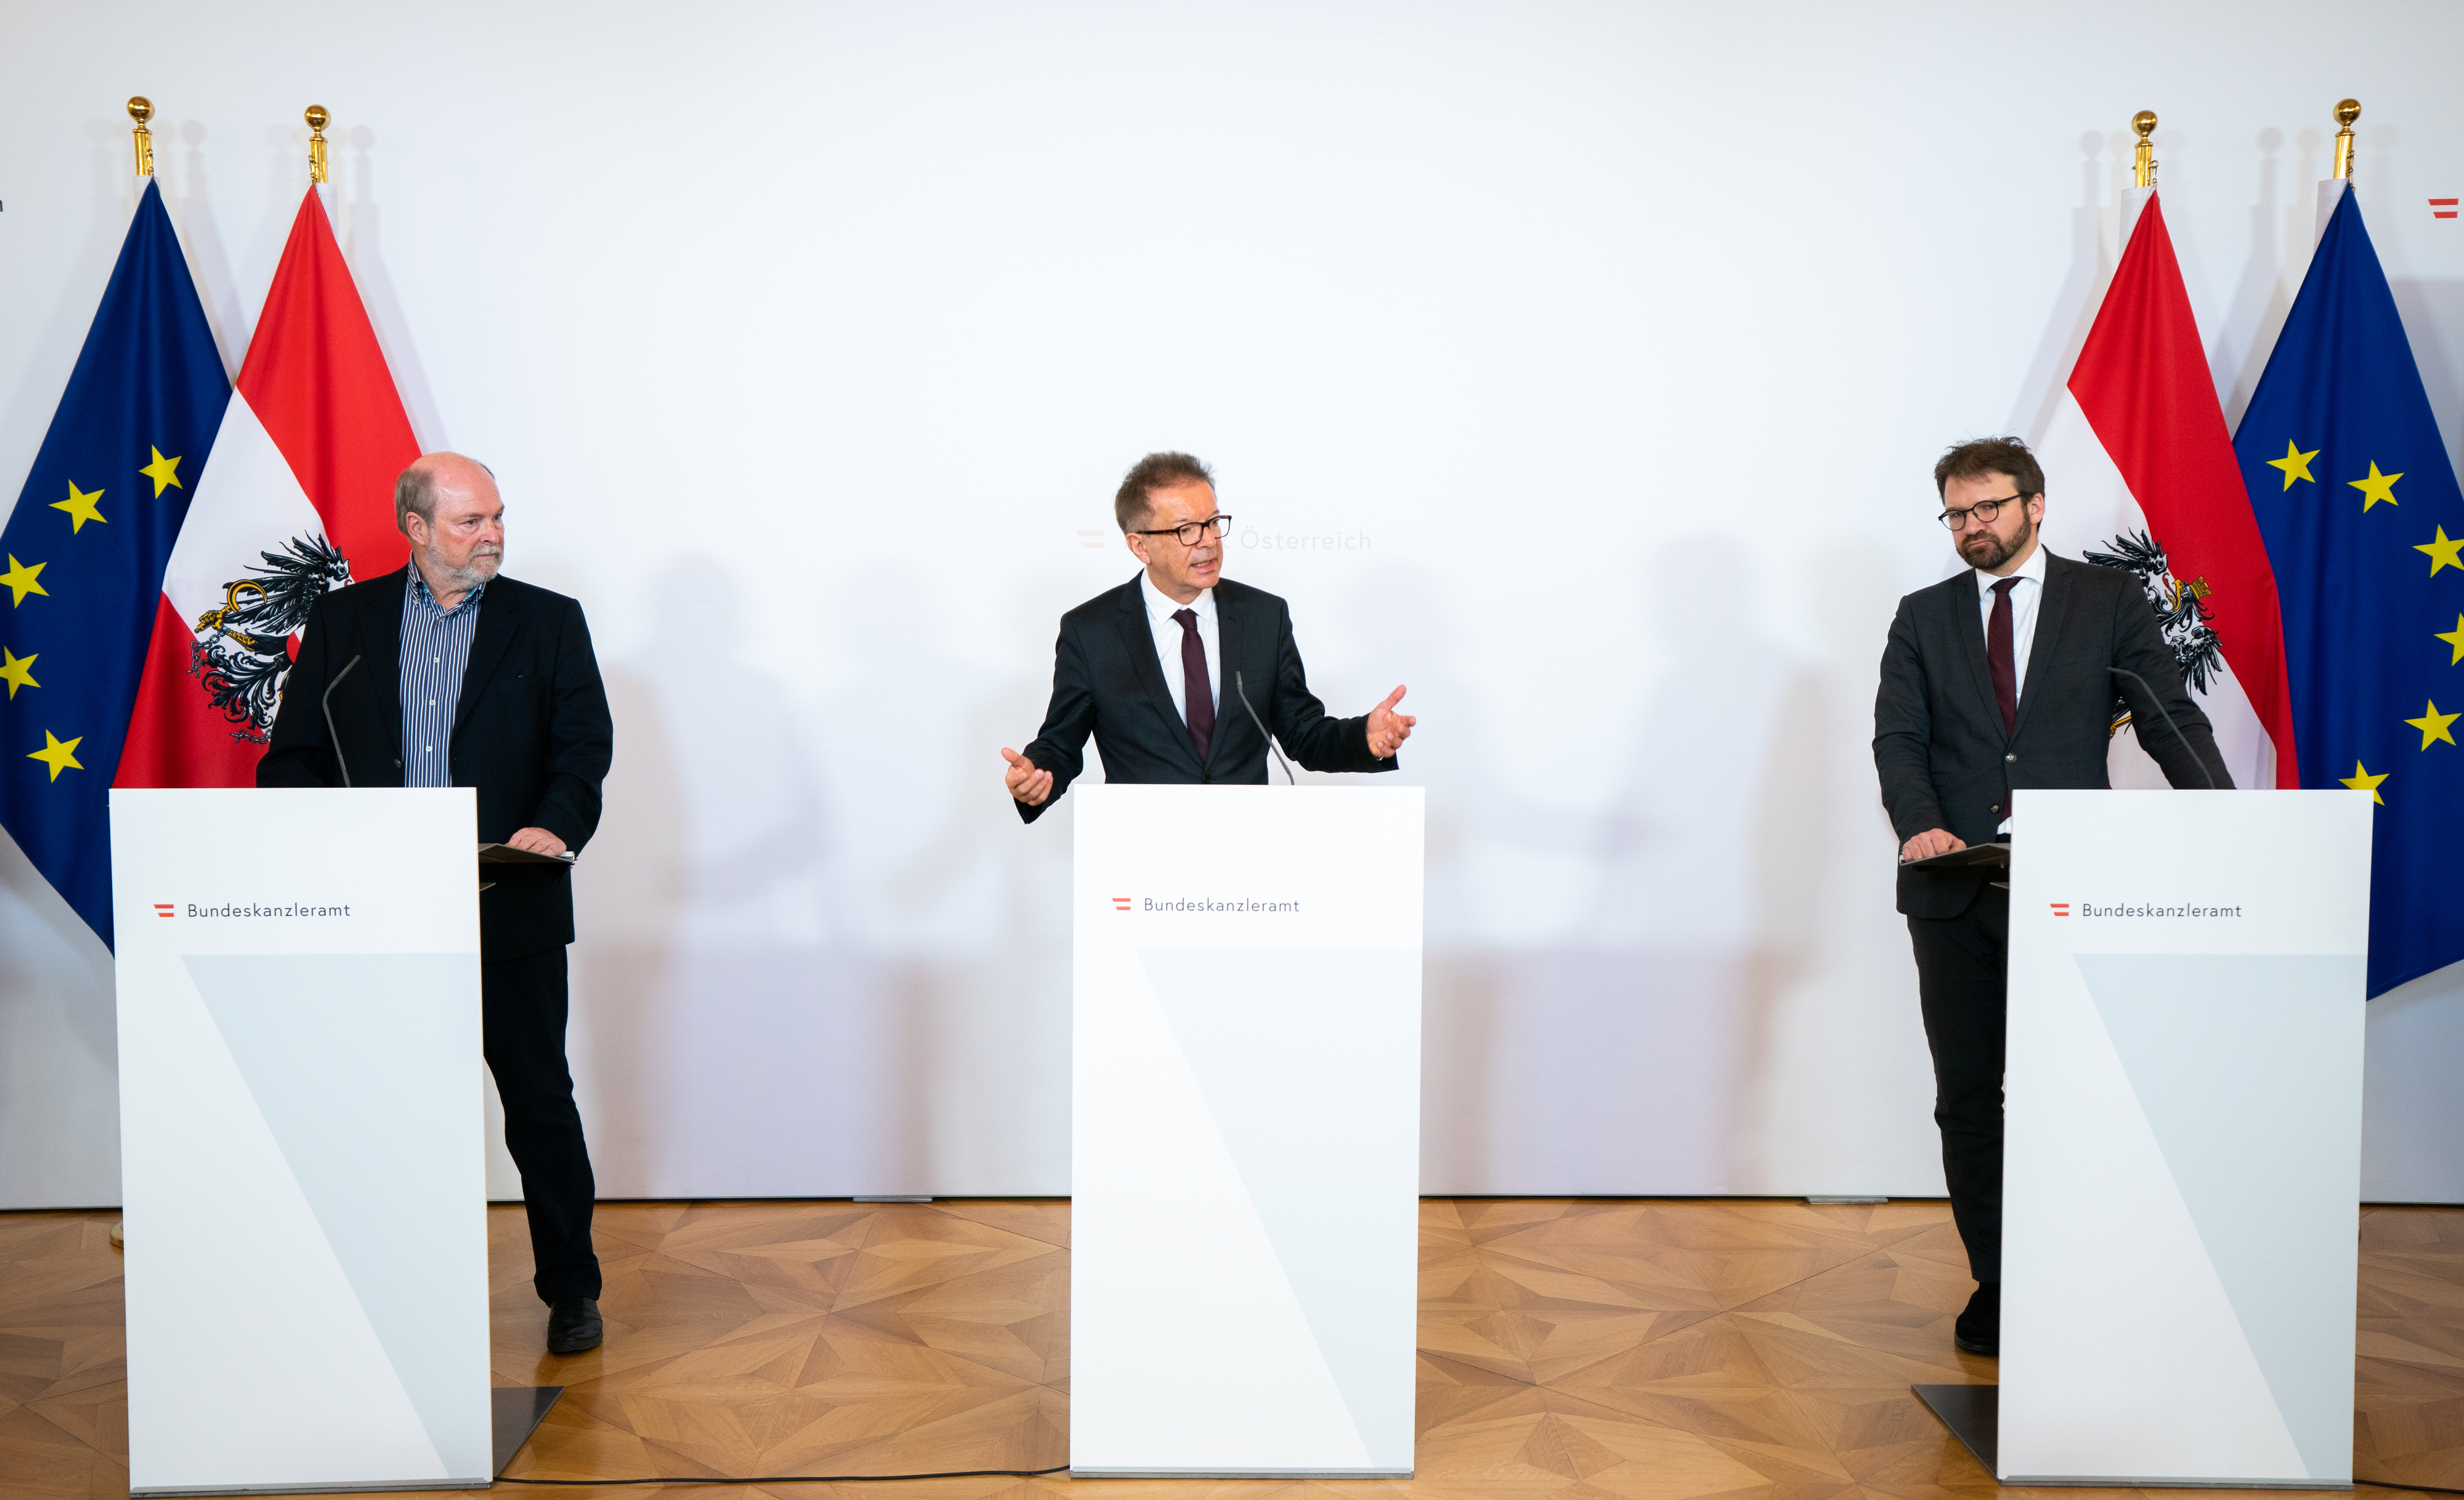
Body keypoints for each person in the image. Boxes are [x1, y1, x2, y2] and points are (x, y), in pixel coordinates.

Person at [1871, 435, 2229, 1358]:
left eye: (1987, 506)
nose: (1971, 525)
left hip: (2074, 887)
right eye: (1956, 512)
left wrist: (2229, 823)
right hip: (1953, 891)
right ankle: (1998, 1280)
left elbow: (2167, 716)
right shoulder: (1921, 616)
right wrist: (1920, 824)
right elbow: (1898, 739)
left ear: (2035, 505)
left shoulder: (2105, 600)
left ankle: (2080, 1269)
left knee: (2074, 1092)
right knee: (1968, 1097)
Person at [260, 452, 615, 1356]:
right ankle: (388, 1289)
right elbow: (291, 759)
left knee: (539, 1103)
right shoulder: (343, 621)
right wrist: (333, 846)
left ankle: (571, 1287)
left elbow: (583, 750)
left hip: (510, 904)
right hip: (378, 914)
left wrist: (554, 825)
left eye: (497, 517)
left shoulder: (549, 621)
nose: (492, 534)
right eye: (470, 521)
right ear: (415, 528)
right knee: (385, 1108)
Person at [1002, 451, 1413, 817]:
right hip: (1140, 849)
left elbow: (1303, 733)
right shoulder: (1091, 631)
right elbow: (1060, 743)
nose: (1210, 542)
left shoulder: (1263, 617)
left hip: (1249, 844)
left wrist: (1363, 737)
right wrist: (1037, 775)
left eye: (1214, 523)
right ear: (1140, 546)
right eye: (1187, 530)